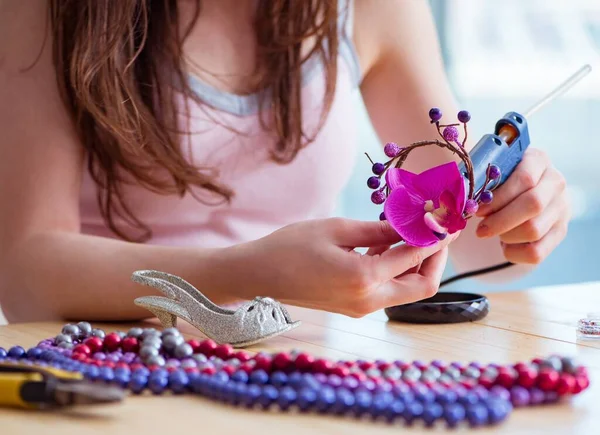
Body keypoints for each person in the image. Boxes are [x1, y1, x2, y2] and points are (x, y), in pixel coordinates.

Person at [0, 0, 569, 323]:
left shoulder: (375, 8)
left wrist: (523, 213)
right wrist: (246, 272)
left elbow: (467, 236)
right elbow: (26, 272)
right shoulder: (49, 11)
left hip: (302, 375)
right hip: (109, 370)